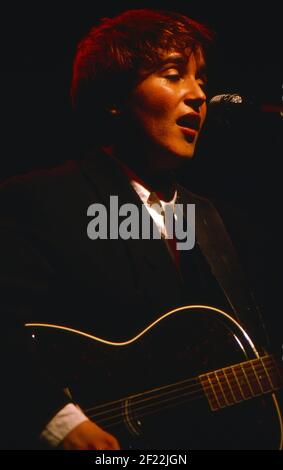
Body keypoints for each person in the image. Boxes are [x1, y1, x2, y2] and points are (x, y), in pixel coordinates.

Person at [0, 9, 279, 450]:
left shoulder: (223, 224)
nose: (199, 96)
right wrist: (57, 422)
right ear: (114, 98)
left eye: (202, 80)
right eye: (173, 75)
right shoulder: (39, 201)